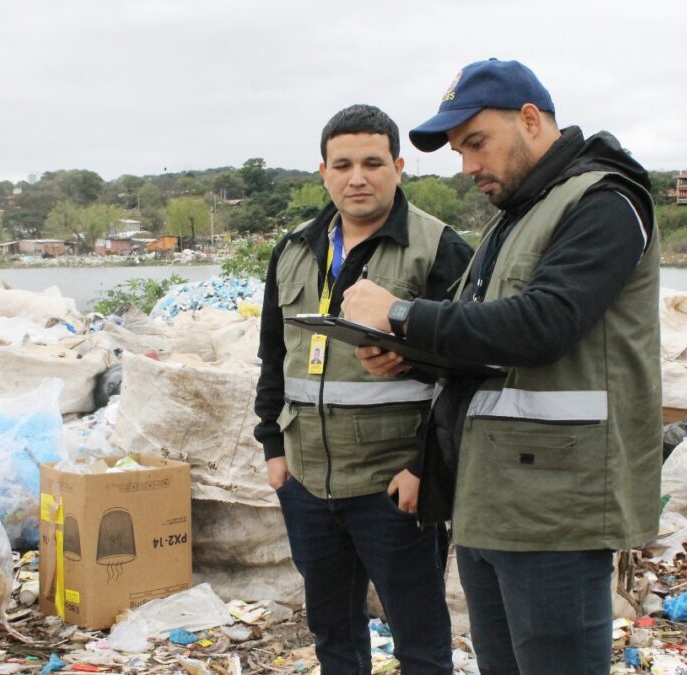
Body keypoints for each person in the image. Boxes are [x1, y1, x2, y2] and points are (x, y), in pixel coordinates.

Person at [342, 59, 662, 674]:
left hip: (557, 509)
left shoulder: (605, 202)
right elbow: (484, 351)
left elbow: (544, 325)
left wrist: (402, 314)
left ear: (531, 119)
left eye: (476, 144)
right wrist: (408, 357)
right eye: (461, 151)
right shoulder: (513, 219)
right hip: (490, 498)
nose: (468, 167)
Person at [254, 104, 473, 675]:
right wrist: (274, 451)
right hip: (306, 480)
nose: (358, 177)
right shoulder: (296, 248)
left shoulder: (439, 248)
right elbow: (273, 358)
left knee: (419, 638)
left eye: (373, 163)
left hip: (394, 483)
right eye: (343, 163)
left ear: (399, 167)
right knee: (332, 632)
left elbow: (471, 368)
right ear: (322, 171)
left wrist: (426, 470)